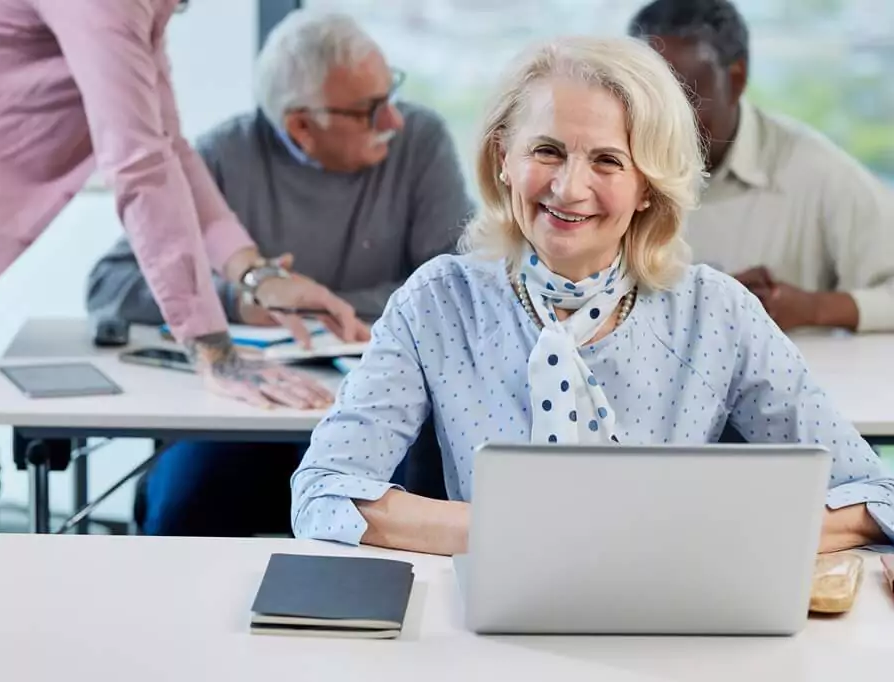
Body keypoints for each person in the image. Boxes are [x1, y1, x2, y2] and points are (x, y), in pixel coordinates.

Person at [0, 2, 362, 680]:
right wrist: (209, 345)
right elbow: (136, 164)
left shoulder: (142, 9)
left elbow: (168, 146)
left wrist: (251, 272)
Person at [289, 35, 894, 557]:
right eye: (546, 150)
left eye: (608, 161)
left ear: (648, 189)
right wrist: (532, 534)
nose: (568, 187)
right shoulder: (437, 303)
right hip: (490, 623)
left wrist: (695, 541)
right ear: (504, 158)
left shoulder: (717, 311)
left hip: (673, 622)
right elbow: (323, 492)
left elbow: (875, 494)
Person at [88, 10, 471, 537]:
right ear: (300, 125)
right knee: (179, 510)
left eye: (392, 94)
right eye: (371, 109)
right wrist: (240, 300)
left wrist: (319, 300)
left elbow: (456, 290)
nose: (394, 121)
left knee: (418, 507)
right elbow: (108, 285)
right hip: (242, 418)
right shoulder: (223, 156)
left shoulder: (420, 143)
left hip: (380, 420)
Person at [627, 0, 894, 334]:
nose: (667, 123)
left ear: (736, 79)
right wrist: (708, 299)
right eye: (649, 99)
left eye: (687, 97)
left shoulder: (812, 168)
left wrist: (813, 308)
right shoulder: (610, 170)